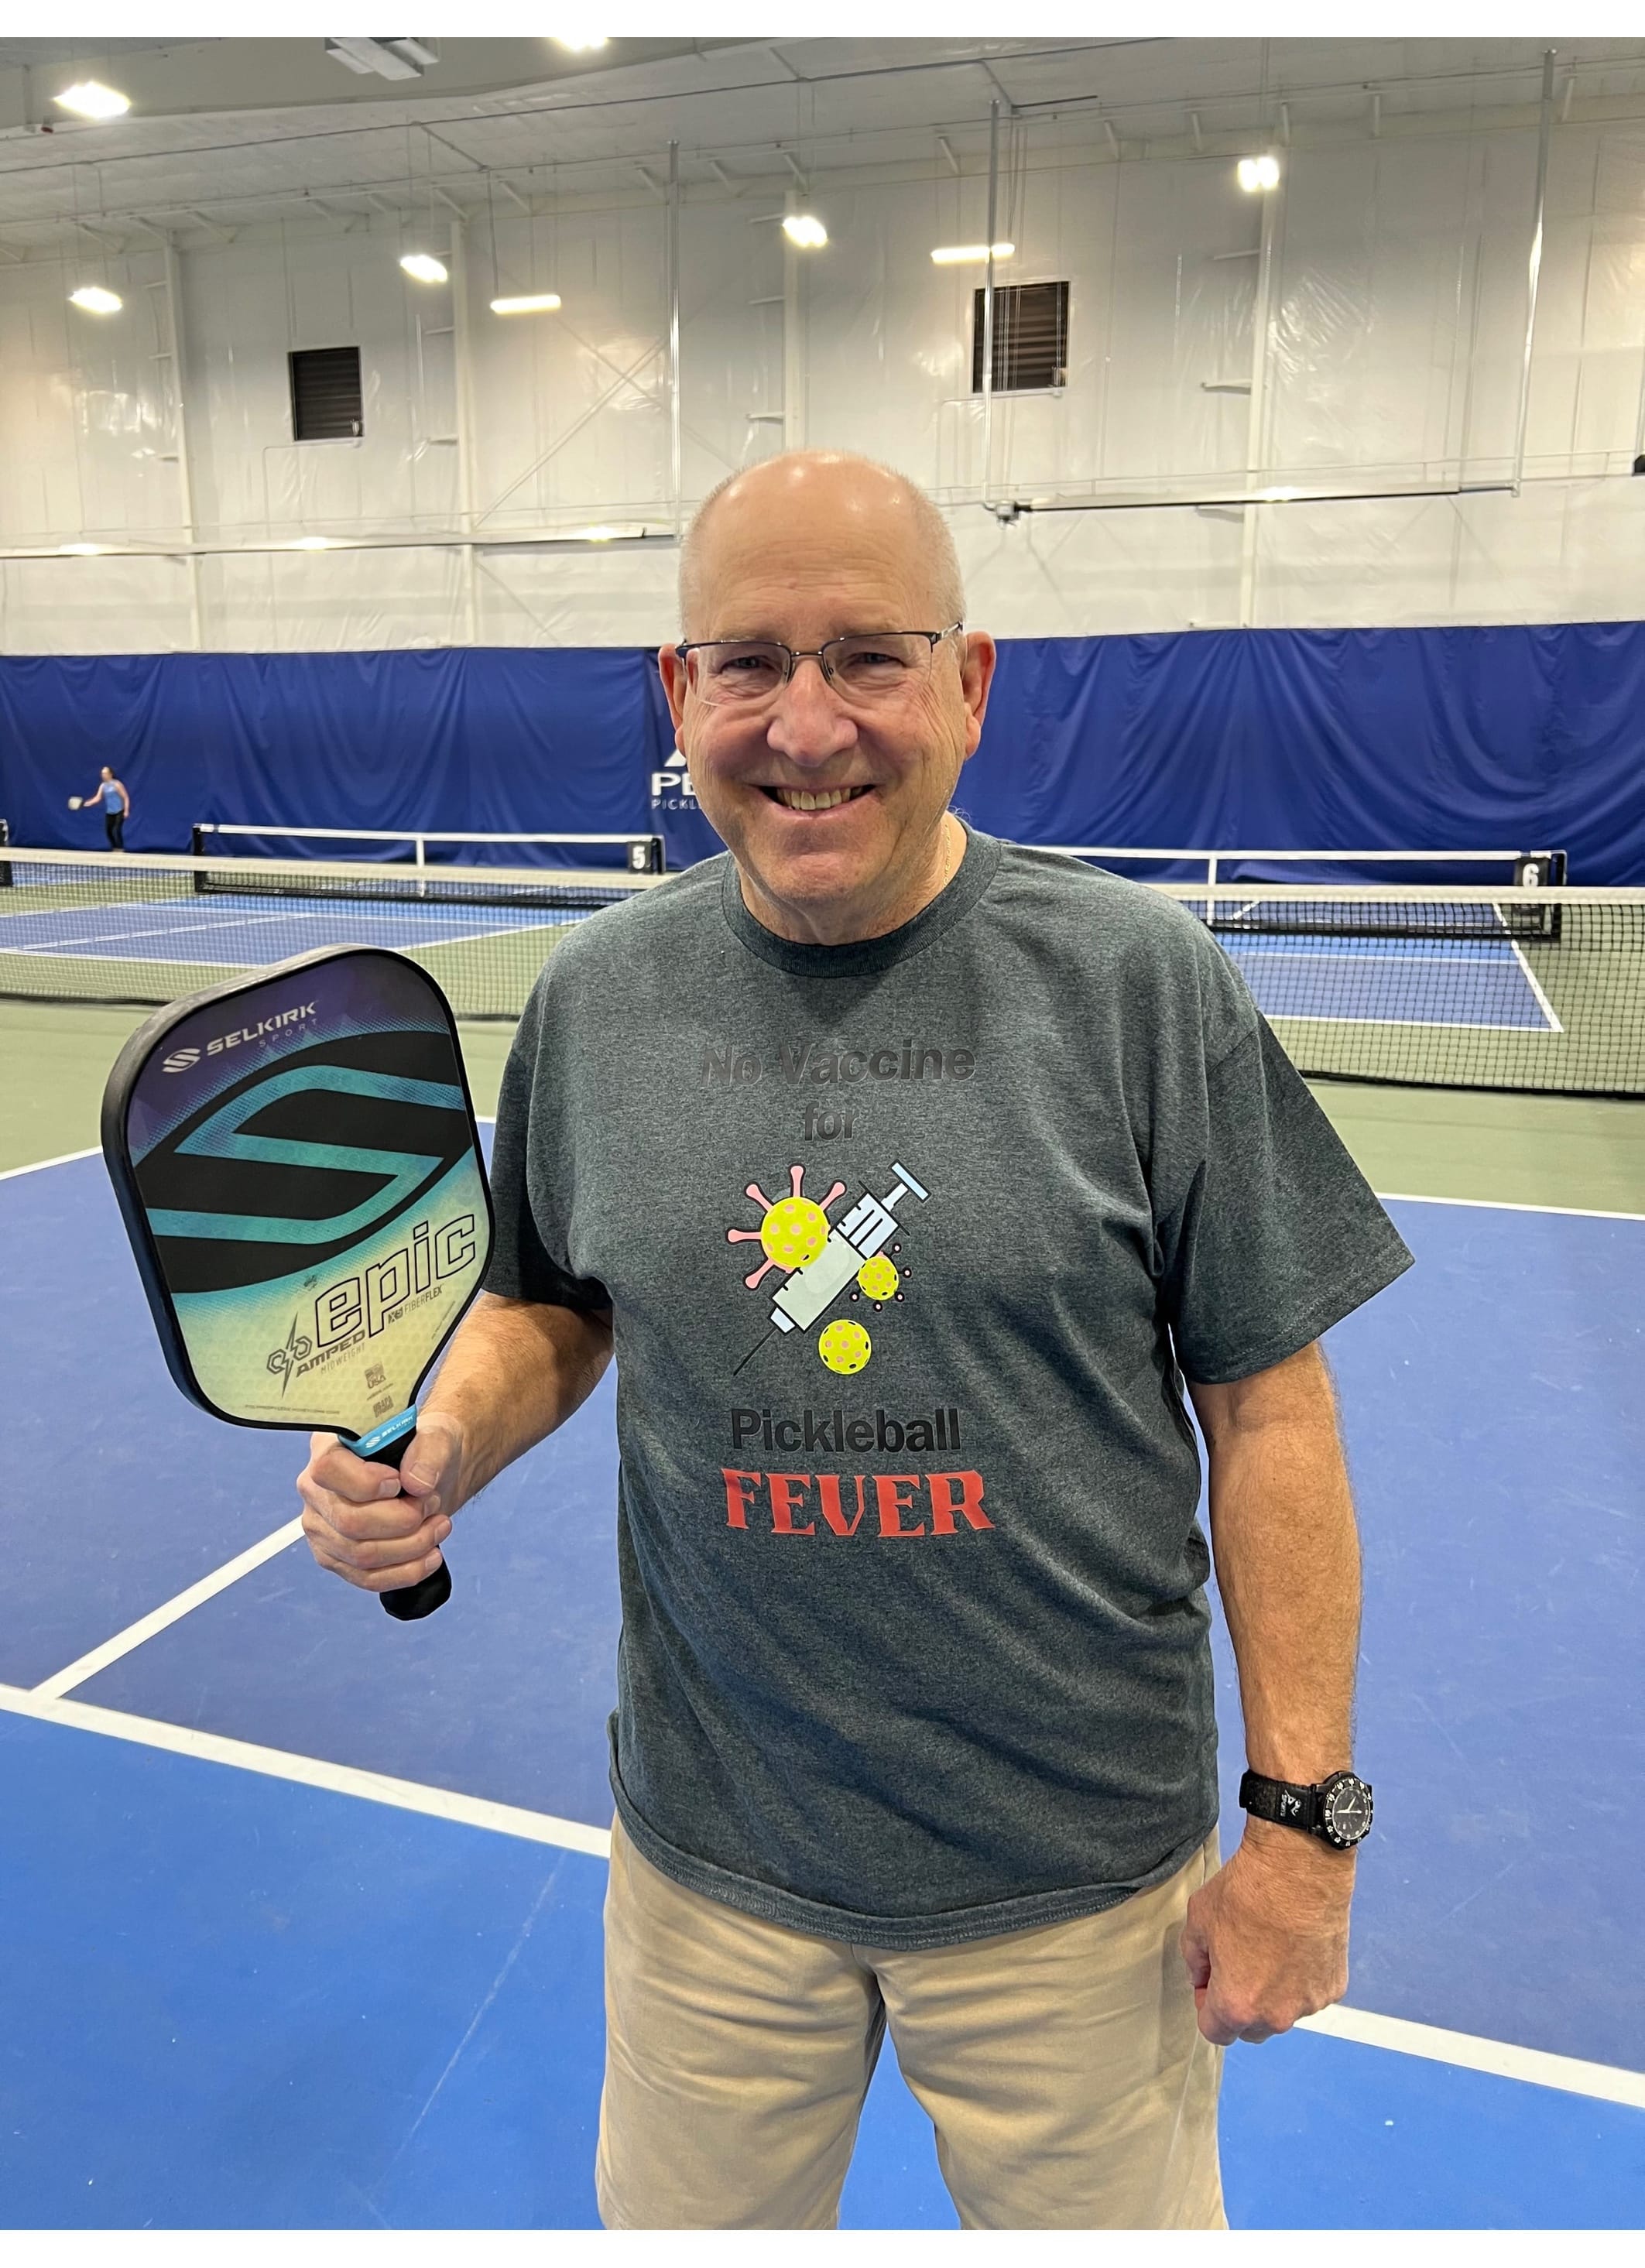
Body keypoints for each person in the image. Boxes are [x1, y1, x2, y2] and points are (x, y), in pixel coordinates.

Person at [297, 451, 1413, 2231]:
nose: (804, 723)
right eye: (746, 661)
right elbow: (548, 1299)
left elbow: (1267, 1412)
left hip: (1076, 1888)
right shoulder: (595, 999)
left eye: (868, 658)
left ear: (968, 686)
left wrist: (1299, 1824)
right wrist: (444, 1442)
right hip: (711, 1875)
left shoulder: (1139, 984)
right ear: (679, 697)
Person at [86, 766, 129, 851]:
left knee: (117, 830)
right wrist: (89, 803)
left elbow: (126, 797)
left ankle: (120, 849)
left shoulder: (117, 784)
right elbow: (98, 798)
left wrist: (126, 811)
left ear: (110, 774)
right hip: (110, 812)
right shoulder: (103, 786)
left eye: (105, 773)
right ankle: (115, 848)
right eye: (102, 773)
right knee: (108, 831)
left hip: (120, 810)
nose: (103, 775)